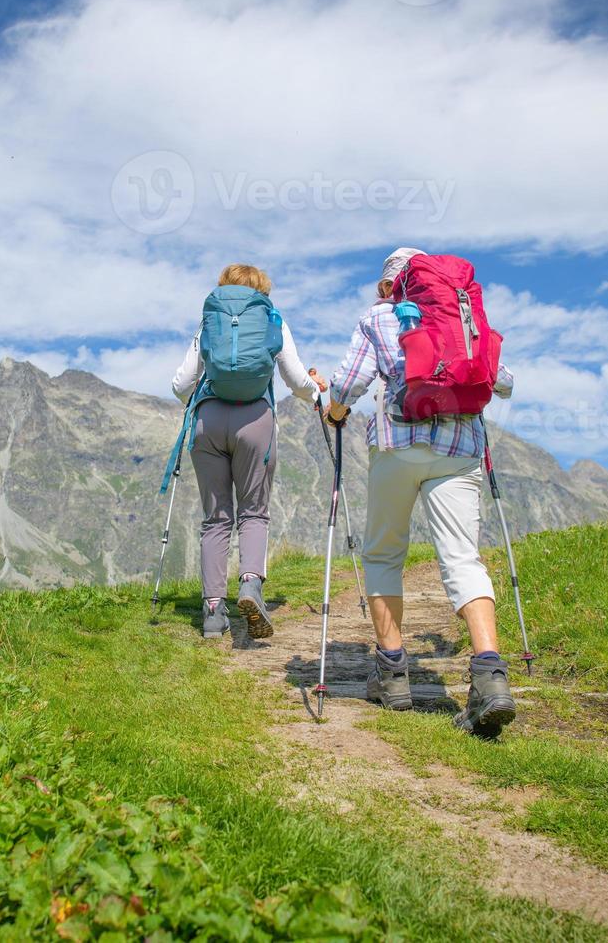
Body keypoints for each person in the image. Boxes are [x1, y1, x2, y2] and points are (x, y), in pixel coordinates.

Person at [324, 247, 517, 737]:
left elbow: (348, 383)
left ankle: (392, 674)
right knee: (463, 559)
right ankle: (490, 677)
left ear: (389, 284)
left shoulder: (379, 317)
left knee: (384, 554)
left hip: (399, 444)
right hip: (459, 447)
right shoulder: (463, 313)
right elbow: (504, 380)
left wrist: (337, 411)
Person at [172, 264, 326, 649]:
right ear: (262, 289)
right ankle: (251, 587)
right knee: (254, 511)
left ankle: (211, 613)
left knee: (215, 518)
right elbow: (294, 379)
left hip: (208, 421)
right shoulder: (272, 318)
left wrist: (200, 397)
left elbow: (180, 384)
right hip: (255, 419)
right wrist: (317, 392)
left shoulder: (209, 322)